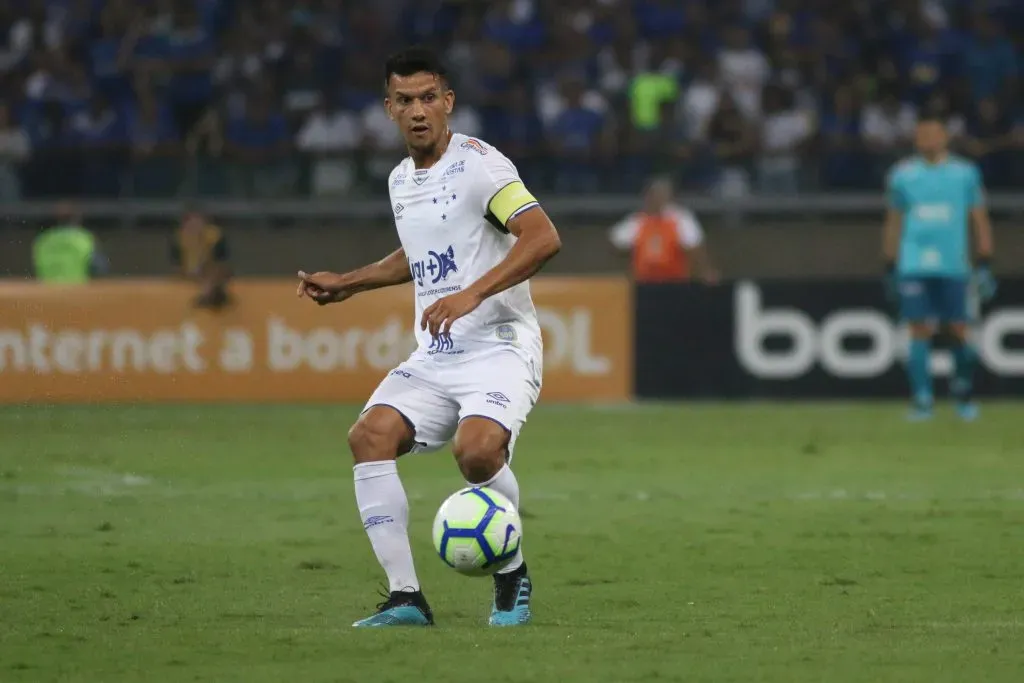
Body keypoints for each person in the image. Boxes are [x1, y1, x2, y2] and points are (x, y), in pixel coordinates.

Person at [296, 47, 561, 628]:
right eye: (405, 100)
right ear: (389, 108)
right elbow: (418, 255)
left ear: (448, 103)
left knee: (476, 452)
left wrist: (473, 293)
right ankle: (405, 598)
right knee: (369, 436)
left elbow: (541, 237)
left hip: (500, 343)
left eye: (428, 98)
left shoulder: (481, 166)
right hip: (438, 352)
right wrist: (350, 282)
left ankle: (511, 575)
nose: (418, 111)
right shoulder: (400, 180)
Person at [883, 116, 996, 422]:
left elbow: (979, 218)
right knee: (919, 328)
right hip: (914, 263)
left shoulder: (964, 173)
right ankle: (922, 399)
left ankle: (962, 390)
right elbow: (894, 221)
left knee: (958, 329)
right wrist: (889, 263)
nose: (927, 139)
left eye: (933, 133)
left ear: (945, 137)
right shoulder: (902, 175)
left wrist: (985, 261)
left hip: (953, 265)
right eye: (921, 134)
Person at [608, 177, 719, 284]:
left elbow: (695, 247)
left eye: (662, 195)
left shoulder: (680, 218)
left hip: (674, 283)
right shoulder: (637, 221)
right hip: (643, 283)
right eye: (654, 195)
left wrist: (705, 271)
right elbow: (616, 244)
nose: (658, 199)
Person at [170, 208, 231, 309]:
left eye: (198, 221)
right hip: (188, 275)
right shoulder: (179, 238)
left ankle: (211, 293)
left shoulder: (214, 236)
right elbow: (176, 265)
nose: (195, 226)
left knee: (217, 272)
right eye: (190, 222)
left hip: (210, 274)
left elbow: (220, 262)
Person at [32, 201, 107, 284]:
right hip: (77, 292)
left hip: (46, 292)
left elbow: (36, 266)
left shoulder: (43, 240)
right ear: (76, 218)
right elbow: (99, 268)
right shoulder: (85, 238)